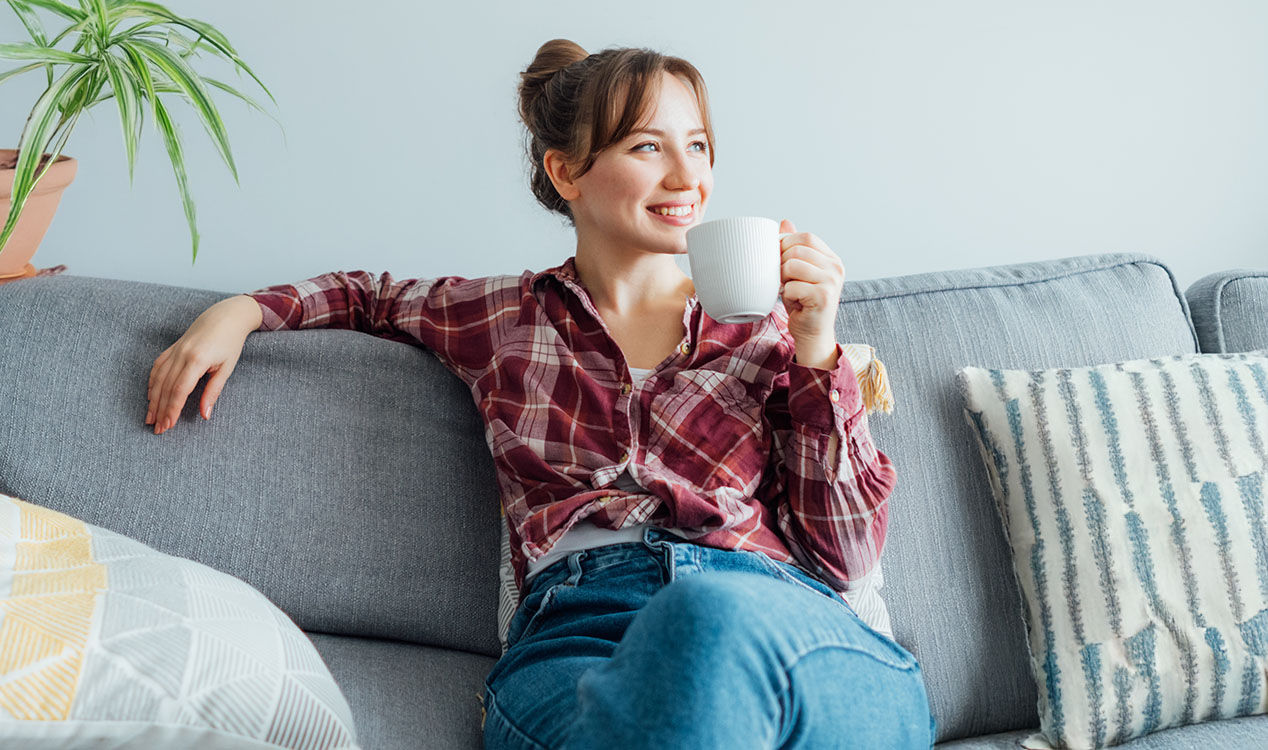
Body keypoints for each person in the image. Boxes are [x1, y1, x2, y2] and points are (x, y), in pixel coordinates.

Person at [145, 38, 936, 749]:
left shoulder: (769, 333)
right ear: (567, 172)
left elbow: (848, 554)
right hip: (579, 638)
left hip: (767, 614)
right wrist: (241, 311)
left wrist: (815, 350)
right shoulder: (502, 318)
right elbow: (367, 295)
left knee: (715, 625)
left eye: (698, 145)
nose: (689, 175)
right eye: (648, 146)